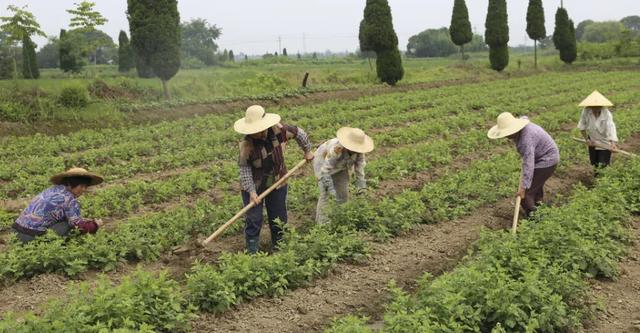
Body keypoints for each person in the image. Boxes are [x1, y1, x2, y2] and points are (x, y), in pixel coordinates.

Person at [234, 105, 313, 253]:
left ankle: (279, 247)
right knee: (254, 218)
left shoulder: (280, 131)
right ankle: (252, 252)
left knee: (278, 216)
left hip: (278, 181)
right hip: (254, 185)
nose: (255, 133)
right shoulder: (246, 145)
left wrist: (307, 150)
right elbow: (244, 171)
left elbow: (299, 133)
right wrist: (251, 192)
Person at [488, 112, 560, 217]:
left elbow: (529, 163)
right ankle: (540, 208)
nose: (506, 136)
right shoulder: (521, 131)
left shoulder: (526, 139)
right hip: (542, 158)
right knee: (535, 188)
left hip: (547, 160)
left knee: (525, 195)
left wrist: (523, 188)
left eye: (507, 133)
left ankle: (535, 219)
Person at [12, 168, 104, 244]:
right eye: (81, 186)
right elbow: (78, 226)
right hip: (29, 238)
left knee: (67, 219)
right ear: (70, 183)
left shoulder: (52, 190)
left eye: (86, 186)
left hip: (14, 233)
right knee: (68, 225)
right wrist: (95, 225)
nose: (83, 190)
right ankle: (54, 247)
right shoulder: (68, 198)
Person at [313, 127, 374, 224]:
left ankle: (339, 218)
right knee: (326, 194)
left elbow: (359, 171)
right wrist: (331, 188)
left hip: (341, 167)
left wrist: (361, 189)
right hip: (323, 163)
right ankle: (323, 224)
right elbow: (325, 171)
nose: (355, 150)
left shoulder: (359, 153)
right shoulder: (337, 149)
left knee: (343, 193)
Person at [577, 90, 618, 171]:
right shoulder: (586, 111)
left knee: (603, 163)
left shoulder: (607, 114)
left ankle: (602, 179)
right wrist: (587, 140)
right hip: (592, 140)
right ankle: (597, 179)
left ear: (601, 106)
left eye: (598, 107)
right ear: (590, 106)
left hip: (605, 140)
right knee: (594, 163)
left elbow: (611, 127)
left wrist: (613, 143)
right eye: (593, 107)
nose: (595, 109)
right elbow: (582, 126)